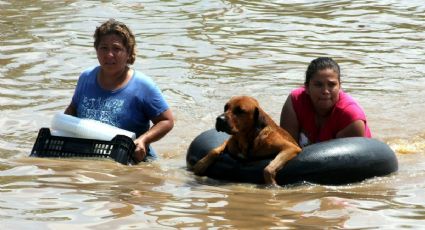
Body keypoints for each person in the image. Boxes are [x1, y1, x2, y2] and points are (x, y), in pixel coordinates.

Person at [64, 19, 174, 162]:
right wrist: (64, 125)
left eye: (116, 49)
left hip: (132, 161)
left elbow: (167, 120)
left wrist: (143, 140)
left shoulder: (142, 85)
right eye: (104, 48)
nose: (109, 55)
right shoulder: (86, 77)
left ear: (128, 52)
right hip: (90, 156)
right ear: (96, 50)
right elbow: (73, 108)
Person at [279, 57, 371, 147]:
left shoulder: (350, 118)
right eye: (318, 85)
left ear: (339, 86)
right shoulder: (295, 102)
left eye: (331, 85)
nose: (325, 91)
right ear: (306, 88)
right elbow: (287, 147)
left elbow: (344, 160)